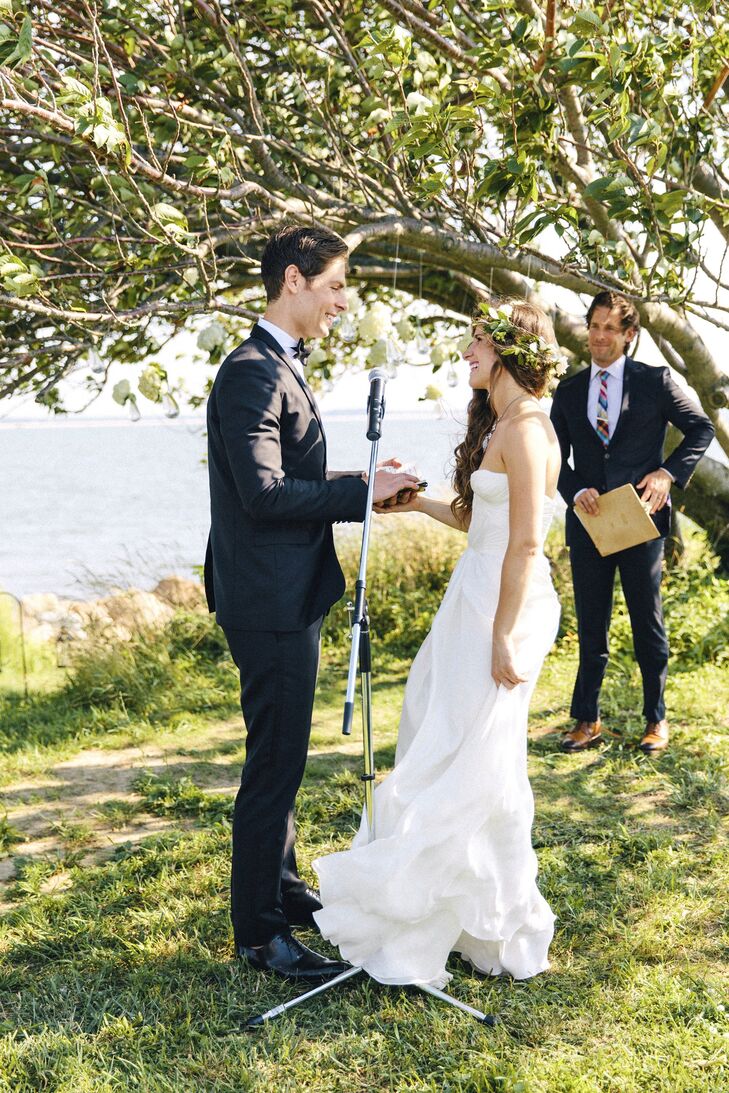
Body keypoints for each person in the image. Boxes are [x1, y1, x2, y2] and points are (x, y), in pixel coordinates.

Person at [313, 300, 564, 988]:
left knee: (476, 752)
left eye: (477, 344)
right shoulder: (500, 424)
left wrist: (503, 635)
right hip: (474, 590)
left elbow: (525, 542)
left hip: (504, 602)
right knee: (440, 736)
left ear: (509, 350)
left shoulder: (531, 431)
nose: (466, 355)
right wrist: (414, 501)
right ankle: (462, 912)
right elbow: (478, 518)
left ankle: (485, 918)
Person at [204, 224, 419, 984]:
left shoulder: (275, 365)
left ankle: (283, 888)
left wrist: (363, 476)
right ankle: (260, 933)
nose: (340, 300)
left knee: (284, 758)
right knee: (274, 763)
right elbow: (262, 495)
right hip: (267, 600)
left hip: (283, 591)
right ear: (293, 279)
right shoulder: (252, 372)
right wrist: (359, 494)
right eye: (333, 285)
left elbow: (283, 466)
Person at [550, 291, 714, 755]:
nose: (599, 337)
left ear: (629, 335)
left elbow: (701, 428)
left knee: (648, 623)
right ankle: (586, 720)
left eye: (609, 328)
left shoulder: (655, 381)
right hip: (589, 522)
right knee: (591, 626)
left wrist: (667, 473)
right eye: (594, 327)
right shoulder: (569, 390)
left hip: (641, 521)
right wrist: (574, 488)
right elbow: (553, 458)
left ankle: (656, 719)